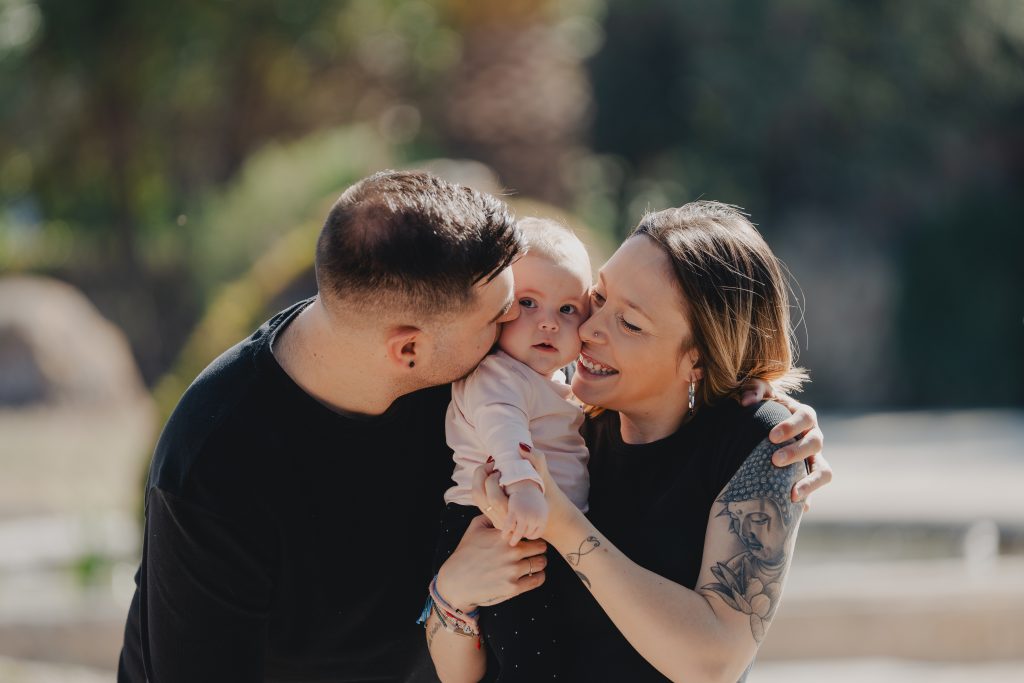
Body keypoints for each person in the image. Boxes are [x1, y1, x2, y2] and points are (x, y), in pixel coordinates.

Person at [117, 170, 828, 682]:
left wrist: (760, 409)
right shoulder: (215, 462)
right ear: (409, 351)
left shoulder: (537, 401)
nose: (548, 334)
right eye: (506, 315)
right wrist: (453, 594)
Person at [429, 201, 829, 682]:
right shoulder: (560, 427)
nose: (590, 330)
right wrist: (451, 593)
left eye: (630, 323)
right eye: (597, 298)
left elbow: (714, 663)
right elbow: (459, 676)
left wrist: (561, 523)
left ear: (697, 359)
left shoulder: (762, 442)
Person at [432, 218, 592, 680]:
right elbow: (502, 427)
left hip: (537, 525)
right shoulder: (496, 375)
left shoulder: (552, 380)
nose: (548, 321)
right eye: (527, 303)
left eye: (568, 309)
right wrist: (523, 485)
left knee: (549, 645)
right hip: (497, 522)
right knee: (531, 653)